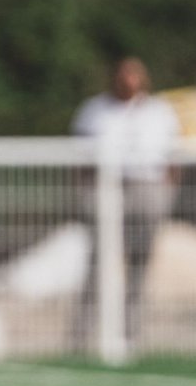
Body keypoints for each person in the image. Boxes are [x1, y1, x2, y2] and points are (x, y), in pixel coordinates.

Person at [70, 55, 181, 348]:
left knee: (139, 264)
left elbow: (172, 158)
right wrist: (85, 195)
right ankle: (82, 336)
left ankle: (130, 334)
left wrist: (166, 196)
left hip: (146, 188)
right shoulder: (94, 110)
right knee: (99, 261)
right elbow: (79, 159)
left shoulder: (160, 112)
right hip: (106, 187)